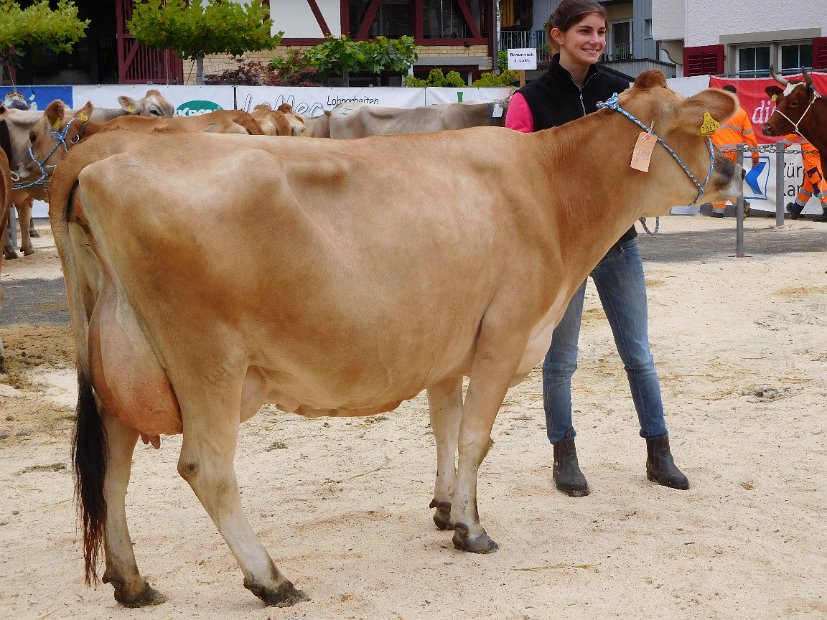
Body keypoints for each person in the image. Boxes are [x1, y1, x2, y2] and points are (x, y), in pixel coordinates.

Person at [504, 0, 688, 496]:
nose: (596, 40)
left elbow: (682, 129)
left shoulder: (622, 91)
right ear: (557, 37)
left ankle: (659, 452)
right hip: (561, 252)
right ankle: (564, 455)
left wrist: (699, 124)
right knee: (560, 360)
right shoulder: (530, 101)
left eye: (602, 32)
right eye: (585, 31)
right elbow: (514, 177)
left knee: (639, 355)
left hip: (619, 243)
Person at [708, 84, 760, 217]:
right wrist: (755, 156)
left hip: (719, 155)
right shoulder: (741, 113)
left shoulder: (715, 113)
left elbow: (707, 135)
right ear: (735, 96)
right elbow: (750, 136)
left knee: (719, 181)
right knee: (731, 181)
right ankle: (738, 206)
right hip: (736, 154)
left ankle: (719, 211)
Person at [783, 133, 827, 222]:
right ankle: (796, 209)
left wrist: (780, 145)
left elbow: (792, 134)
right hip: (818, 149)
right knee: (809, 181)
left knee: (817, 179)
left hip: (811, 152)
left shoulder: (800, 119)